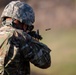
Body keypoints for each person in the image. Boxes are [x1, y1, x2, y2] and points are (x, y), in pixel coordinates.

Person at [0, 1, 51, 75]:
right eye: (28, 26)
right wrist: (34, 41)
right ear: (24, 22)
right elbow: (45, 61)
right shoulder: (21, 37)